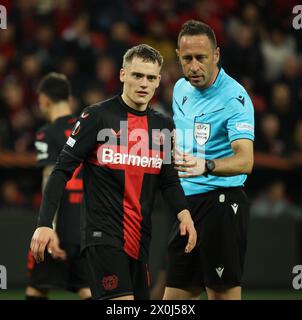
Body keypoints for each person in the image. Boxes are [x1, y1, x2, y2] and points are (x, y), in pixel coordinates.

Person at [30, 44, 197, 300]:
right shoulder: (96, 117)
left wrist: (184, 215)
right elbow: (61, 170)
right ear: (122, 75)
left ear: (158, 82)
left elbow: (168, 179)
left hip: (140, 241)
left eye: (151, 78)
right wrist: (44, 224)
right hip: (102, 236)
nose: (144, 83)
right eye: (137, 75)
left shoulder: (162, 126)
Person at [163, 20, 255, 300]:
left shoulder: (234, 98)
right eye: (187, 58)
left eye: (201, 58)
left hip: (221, 204)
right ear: (178, 56)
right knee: (173, 299)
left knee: (222, 295)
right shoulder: (180, 89)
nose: (194, 66)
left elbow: (245, 160)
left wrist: (207, 165)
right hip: (185, 207)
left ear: (216, 55)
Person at [26, 73, 91, 300]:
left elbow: (49, 179)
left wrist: (49, 226)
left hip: (59, 222)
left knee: (37, 287)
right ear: (69, 98)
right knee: (86, 288)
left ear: (44, 100)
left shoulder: (47, 133)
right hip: (86, 222)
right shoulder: (87, 127)